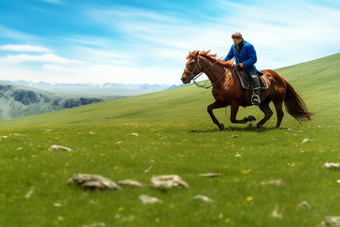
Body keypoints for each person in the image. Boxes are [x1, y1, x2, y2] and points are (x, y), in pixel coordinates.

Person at [224, 32, 262, 105]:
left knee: (253, 78)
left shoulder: (249, 46)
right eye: (233, 40)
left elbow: (254, 59)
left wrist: (244, 64)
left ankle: (256, 97)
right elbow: (229, 56)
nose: (234, 42)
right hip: (237, 67)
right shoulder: (233, 46)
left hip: (249, 68)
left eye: (236, 40)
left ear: (240, 39)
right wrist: (221, 63)